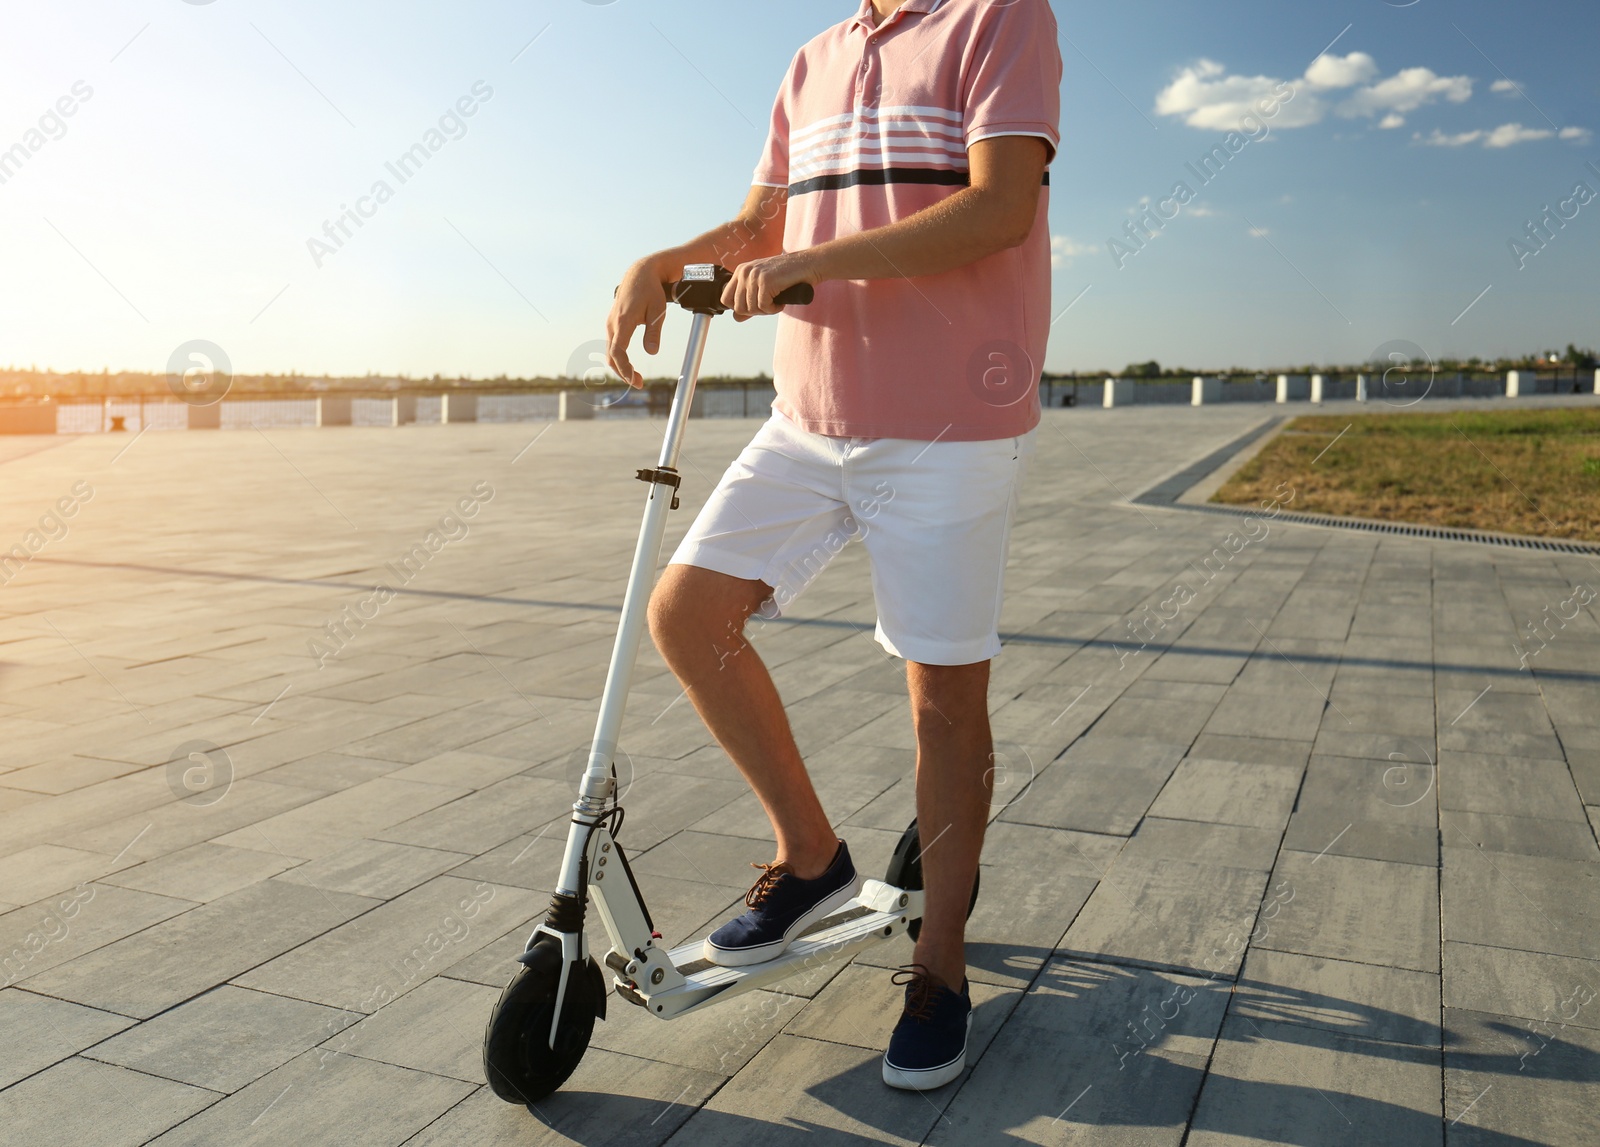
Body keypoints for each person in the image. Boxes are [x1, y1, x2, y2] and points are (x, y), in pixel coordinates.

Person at [606, 0, 1060, 1092]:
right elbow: (767, 225)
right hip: (806, 419)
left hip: (950, 423)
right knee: (683, 613)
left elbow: (998, 211)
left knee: (942, 698)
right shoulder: (812, 59)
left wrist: (822, 263)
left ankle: (940, 968)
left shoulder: (998, 17)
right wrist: (666, 257)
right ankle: (810, 854)